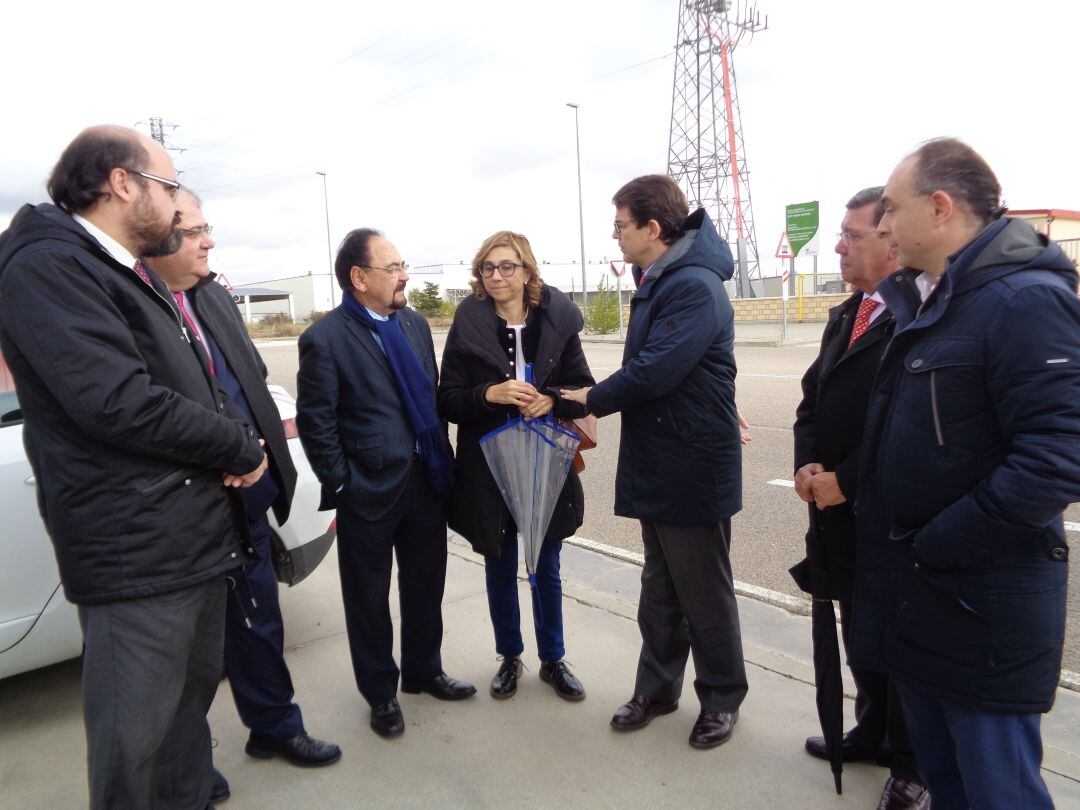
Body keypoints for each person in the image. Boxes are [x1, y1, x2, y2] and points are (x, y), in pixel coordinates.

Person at [0, 126, 267, 809]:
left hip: (186, 543)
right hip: (137, 558)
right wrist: (236, 446)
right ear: (123, 184)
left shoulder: (115, 266)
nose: (178, 208)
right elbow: (116, 401)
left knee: (183, 724)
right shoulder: (48, 266)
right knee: (136, 747)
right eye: (169, 187)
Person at [851, 138, 1080, 809]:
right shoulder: (931, 301)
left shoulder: (1023, 301)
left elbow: (1059, 454)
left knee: (997, 791)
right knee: (948, 786)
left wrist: (937, 545)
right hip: (925, 602)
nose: (883, 225)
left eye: (892, 210)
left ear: (941, 207)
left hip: (980, 609)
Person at [143, 191, 341, 795]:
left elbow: (248, 378)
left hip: (247, 497)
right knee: (190, 648)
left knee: (258, 622)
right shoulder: (131, 306)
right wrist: (226, 450)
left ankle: (274, 727)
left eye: (208, 229)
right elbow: (146, 409)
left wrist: (254, 454)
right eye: (195, 232)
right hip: (186, 506)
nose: (209, 242)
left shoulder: (211, 296)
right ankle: (189, 767)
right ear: (151, 238)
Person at [561, 174, 747, 749]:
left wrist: (585, 398)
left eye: (621, 226)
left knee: (703, 590)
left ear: (653, 228)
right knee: (661, 586)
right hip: (664, 454)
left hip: (691, 461)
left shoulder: (691, 285)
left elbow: (657, 370)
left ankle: (720, 698)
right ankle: (658, 689)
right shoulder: (659, 277)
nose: (615, 236)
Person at [296, 227, 475, 740]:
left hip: (425, 483)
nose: (404, 275)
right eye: (393, 268)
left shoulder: (415, 324)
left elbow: (430, 400)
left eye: (402, 265)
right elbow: (317, 424)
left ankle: (424, 671)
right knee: (368, 600)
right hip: (368, 491)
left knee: (425, 586)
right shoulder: (325, 339)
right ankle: (380, 694)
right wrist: (345, 484)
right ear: (359, 278)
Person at [792, 187, 926, 810]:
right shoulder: (848, 313)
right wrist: (807, 466)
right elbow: (812, 401)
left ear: (891, 241)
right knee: (859, 628)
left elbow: (905, 423)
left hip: (884, 504)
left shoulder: (916, 316)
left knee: (901, 637)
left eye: (852, 236)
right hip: (836, 506)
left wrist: (846, 476)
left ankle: (911, 763)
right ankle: (871, 730)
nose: (839, 248)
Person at [437, 230, 595, 701]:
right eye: (488, 268)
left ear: (527, 271)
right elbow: (446, 400)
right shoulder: (467, 325)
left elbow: (583, 388)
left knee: (546, 565)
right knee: (500, 565)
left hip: (546, 457)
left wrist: (550, 400)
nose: (496, 276)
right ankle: (510, 656)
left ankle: (553, 658)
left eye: (507, 266)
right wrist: (491, 393)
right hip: (488, 465)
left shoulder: (559, 320)